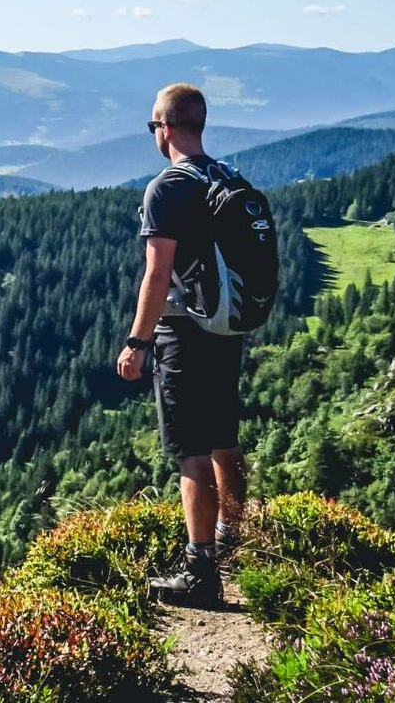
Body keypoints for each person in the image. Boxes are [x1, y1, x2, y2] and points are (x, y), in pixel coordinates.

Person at [115, 82, 247, 606]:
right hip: (225, 325)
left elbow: (156, 274)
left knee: (190, 450)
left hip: (182, 331)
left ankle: (200, 571)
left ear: (165, 128)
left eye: (153, 126)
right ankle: (236, 540)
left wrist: (137, 342)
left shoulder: (167, 187)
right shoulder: (227, 177)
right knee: (224, 438)